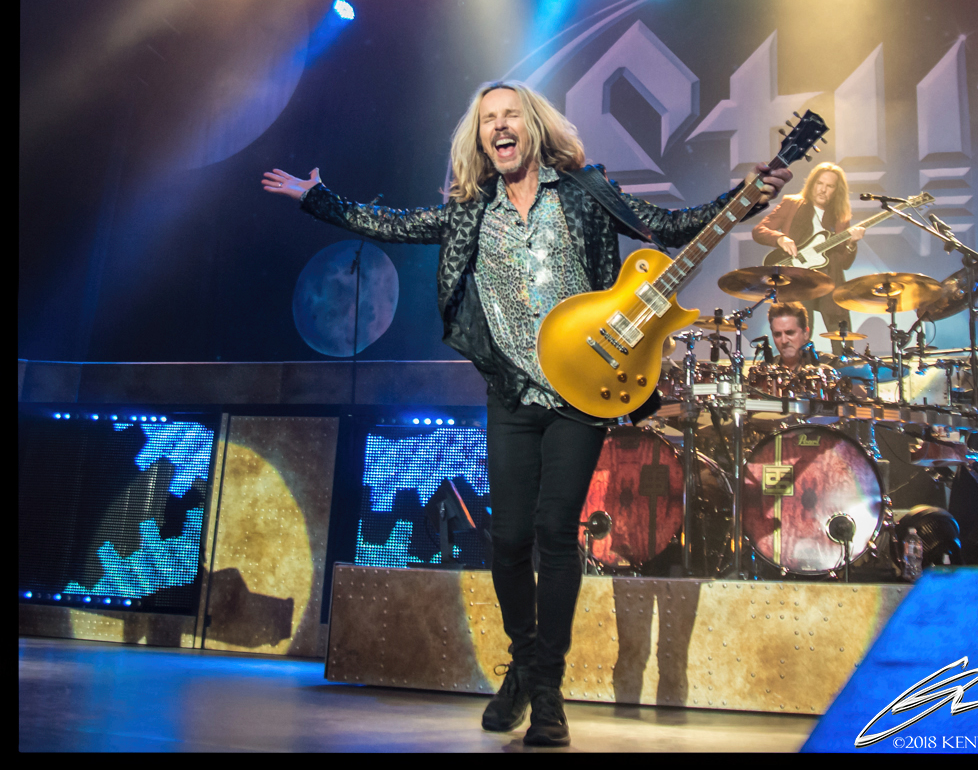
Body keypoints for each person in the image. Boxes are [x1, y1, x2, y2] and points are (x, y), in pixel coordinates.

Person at [263, 81, 791, 747]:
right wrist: (318, 198)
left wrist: (748, 197)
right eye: (488, 119)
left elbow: (671, 224)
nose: (500, 125)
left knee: (554, 532)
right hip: (512, 393)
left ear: (533, 127)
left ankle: (546, 691)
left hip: (581, 394)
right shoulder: (469, 211)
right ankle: (524, 661)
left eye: (510, 114)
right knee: (509, 538)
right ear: (480, 138)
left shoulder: (585, 192)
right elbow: (393, 225)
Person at [750, 161, 864, 347]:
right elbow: (759, 231)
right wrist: (780, 239)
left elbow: (844, 263)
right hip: (797, 279)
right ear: (812, 183)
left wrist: (851, 243)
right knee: (799, 339)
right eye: (820, 183)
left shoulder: (841, 216)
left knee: (843, 340)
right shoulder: (792, 203)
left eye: (829, 186)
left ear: (836, 190)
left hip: (829, 280)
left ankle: (843, 363)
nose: (823, 190)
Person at [766, 301, 815, 370]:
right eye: (777, 334)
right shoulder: (767, 368)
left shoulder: (828, 364)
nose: (784, 341)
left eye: (790, 333)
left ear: (806, 333)